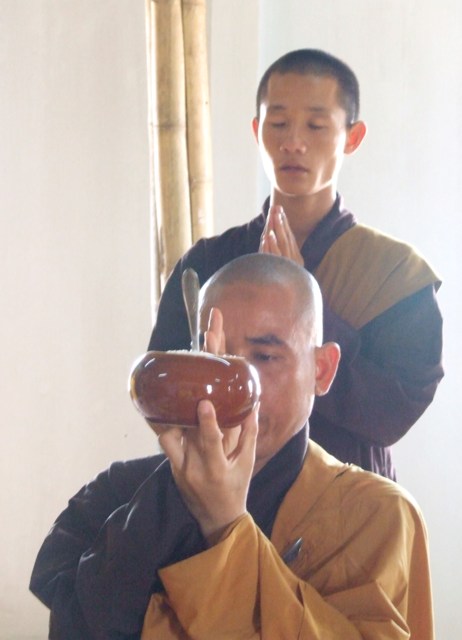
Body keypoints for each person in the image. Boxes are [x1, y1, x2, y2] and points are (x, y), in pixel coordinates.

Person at [30, 254, 434, 639]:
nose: (235, 385)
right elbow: (78, 624)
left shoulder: (376, 514)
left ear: (322, 370)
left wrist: (224, 523)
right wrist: (172, 495)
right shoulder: (120, 491)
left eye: (264, 356)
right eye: (214, 355)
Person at [147, 48, 444, 480]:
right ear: (257, 131)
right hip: (220, 488)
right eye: (279, 123)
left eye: (316, 126)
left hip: (348, 498)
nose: (293, 142)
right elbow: (164, 392)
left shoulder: (394, 274)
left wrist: (305, 299)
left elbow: (393, 412)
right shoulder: (207, 261)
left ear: (352, 137)